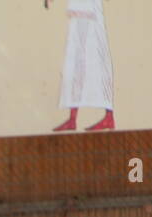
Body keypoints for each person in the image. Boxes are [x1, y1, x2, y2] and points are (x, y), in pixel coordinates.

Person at [48, 0, 115, 131]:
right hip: (79, 8)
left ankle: (109, 116)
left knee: (97, 58)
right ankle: (72, 119)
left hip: (90, 9)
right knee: (75, 60)